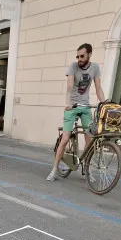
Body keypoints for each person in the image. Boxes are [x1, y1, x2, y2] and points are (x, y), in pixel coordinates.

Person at [47, 43, 105, 181]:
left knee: (90, 139)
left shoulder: (95, 67)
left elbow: (98, 89)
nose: (79, 59)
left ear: (89, 54)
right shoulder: (73, 66)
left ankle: (87, 169)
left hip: (85, 107)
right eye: (78, 56)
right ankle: (54, 169)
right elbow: (70, 85)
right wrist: (68, 103)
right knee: (65, 138)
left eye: (82, 56)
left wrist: (104, 103)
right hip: (72, 106)